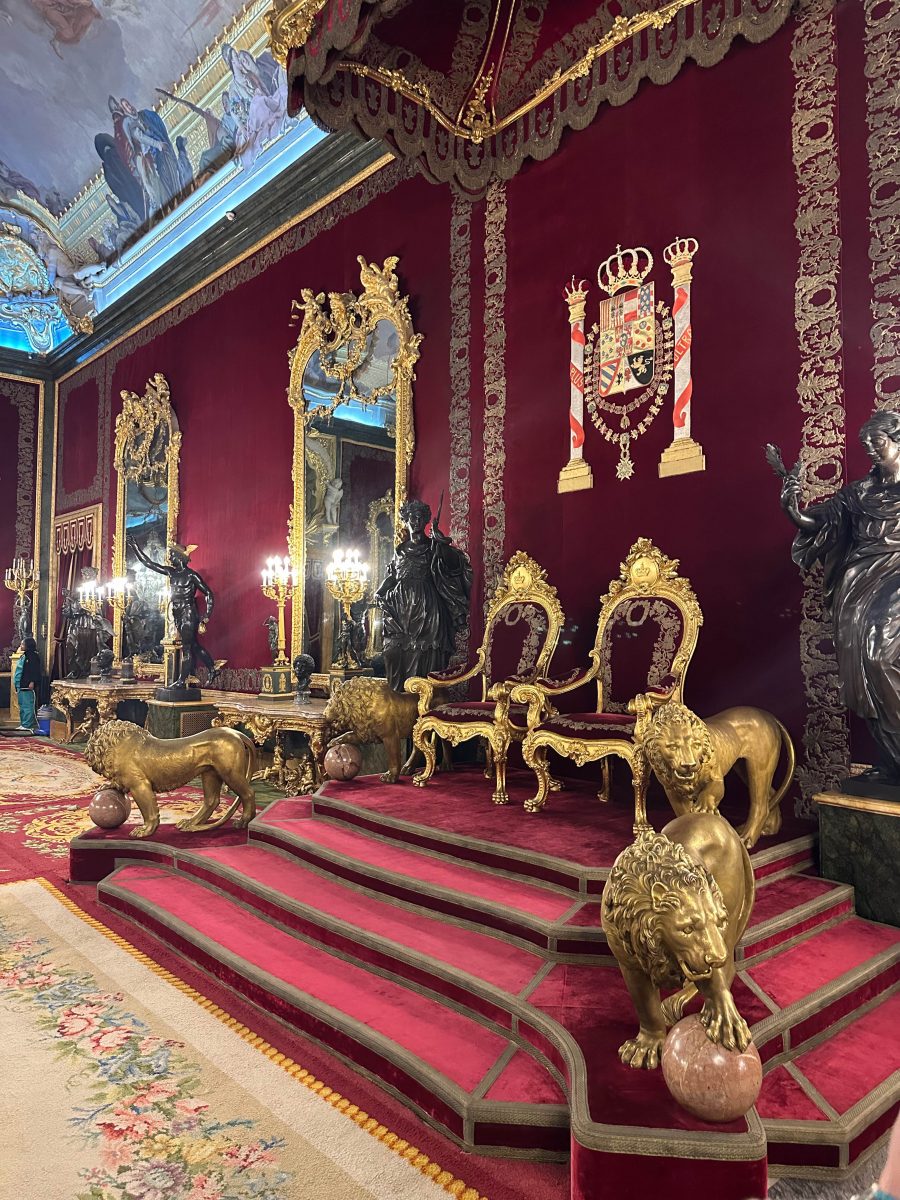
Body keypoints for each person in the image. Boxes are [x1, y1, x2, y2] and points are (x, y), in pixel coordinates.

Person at [780, 410, 900, 781]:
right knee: (858, 667)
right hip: (858, 582)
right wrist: (792, 509)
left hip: (897, 575)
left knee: (879, 658)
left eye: (877, 442)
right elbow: (818, 524)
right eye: (866, 445)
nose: (870, 450)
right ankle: (892, 763)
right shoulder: (857, 494)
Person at [374, 497, 472, 693]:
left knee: (424, 653)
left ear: (426, 520)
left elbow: (455, 564)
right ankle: (399, 699)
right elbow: (393, 577)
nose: (416, 521)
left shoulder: (433, 546)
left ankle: (424, 699)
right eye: (412, 517)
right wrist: (379, 591)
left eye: (420, 517)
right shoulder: (400, 550)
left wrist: (442, 542)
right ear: (406, 520)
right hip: (401, 606)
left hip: (427, 607)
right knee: (395, 651)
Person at [127, 539, 218, 688]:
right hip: (177, 611)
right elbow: (149, 564)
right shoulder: (171, 572)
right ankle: (212, 669)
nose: (169, 558)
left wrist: (206, 616)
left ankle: (181, 681)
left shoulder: (191, 576)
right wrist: (135, 547)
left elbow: (208, 593)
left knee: (186, 647)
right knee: (193, 645)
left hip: (188, 611)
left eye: (171, 555)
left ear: (180, 557)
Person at [15, 637, 41, 732]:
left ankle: (28, 724)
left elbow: (35, 670)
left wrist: (32, 681)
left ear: (28, 645)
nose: (21, 646)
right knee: (22, 705)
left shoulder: (33, 656)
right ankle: (23, 723)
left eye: (22, 644)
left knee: (28, 706)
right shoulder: (24, 656)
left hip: (28, 685)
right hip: (21, 684)